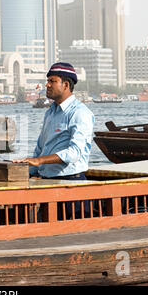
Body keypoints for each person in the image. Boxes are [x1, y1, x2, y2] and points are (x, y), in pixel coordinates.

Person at [13, 62, 95, 220]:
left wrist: (39, 160)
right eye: (47, 81)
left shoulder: (80, 113)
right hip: (48, 185)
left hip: (71, 185)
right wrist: (24, 170)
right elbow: (40, 148)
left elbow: (74, 153)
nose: (47, 85)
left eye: (52, 81)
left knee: (74, 235)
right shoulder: (51, 112)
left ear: (65, 85)